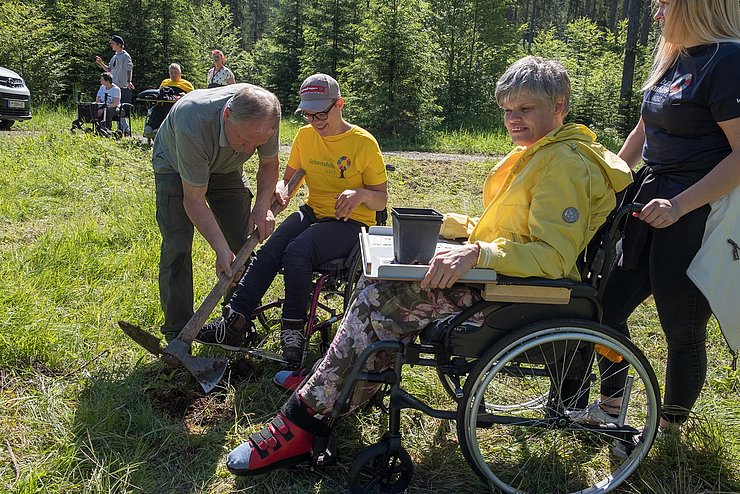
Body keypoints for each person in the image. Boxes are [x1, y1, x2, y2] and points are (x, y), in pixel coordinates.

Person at [222, 56, 633, 476]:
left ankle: (305, 419)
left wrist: (475, 253)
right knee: (373, 281)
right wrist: (456, 226)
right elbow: (513, 228)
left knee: (381, 299)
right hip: (501, 278)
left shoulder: (564, 164)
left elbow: (550, 255)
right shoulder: (543, 153)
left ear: (559, 105)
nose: (513, 119)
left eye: (525, 109)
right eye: (507, 109)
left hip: (517, 293)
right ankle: (340, 389)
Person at [571, 0, 740, 431]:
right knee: (605, 310)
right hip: (648, 201)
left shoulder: (728, 59)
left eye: (665, 4)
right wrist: (610, 180)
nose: (656, 12)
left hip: (696, 213)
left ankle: (668, 427)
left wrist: (681, 204)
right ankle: (611, 409)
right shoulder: (675, 57)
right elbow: (642, 130)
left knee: (680, 326)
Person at [194, 73, 389, 365]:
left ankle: (293, 330)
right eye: (309, 115)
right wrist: (280, 192)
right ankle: (234, 322)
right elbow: (289, 179)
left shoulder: (363, 143)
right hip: (314, 211)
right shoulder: (305, 136)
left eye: (321, 113)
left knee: (298, 251)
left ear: (340, 104)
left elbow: (381, 199)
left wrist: (360, 194)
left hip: (351, 222)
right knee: (269, 250)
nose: (315, 121)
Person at [153, 84, 282, 342]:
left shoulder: (267, 114)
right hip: (175, 166)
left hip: (227, 169)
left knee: (241, 240)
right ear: (226, 115)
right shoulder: (193, 121)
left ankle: (235, 321)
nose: (248, 151)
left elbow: (269, 164)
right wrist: (221, 250)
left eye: (256, 144)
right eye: (244, 141)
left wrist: (261, 206)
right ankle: (179, 332)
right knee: (177, 244)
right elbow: (194, 200)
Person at [144, 63, 195, 139]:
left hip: (177, 106)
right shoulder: (165, 82)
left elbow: (192, 97)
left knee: (169, 110)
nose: (173, 75)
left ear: (180, 73)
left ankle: (162, 130)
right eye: (171, 73)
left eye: (175, 73)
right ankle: (151, 128)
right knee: (156, 109)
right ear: (169, 73)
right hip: (163, 103)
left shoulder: (186, 85)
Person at [95, 35, 133, 136]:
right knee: (112, 109)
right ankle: (120, 130)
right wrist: (100, 63)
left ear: (119, 44)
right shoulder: (115, 56)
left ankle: (125, 129)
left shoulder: (125, 56)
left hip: (122, 86)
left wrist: (129, 81)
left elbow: (129, 68)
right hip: (113, 86)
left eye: (113, 43)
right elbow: (109, 70)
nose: (111, 45)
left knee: (120, 109)